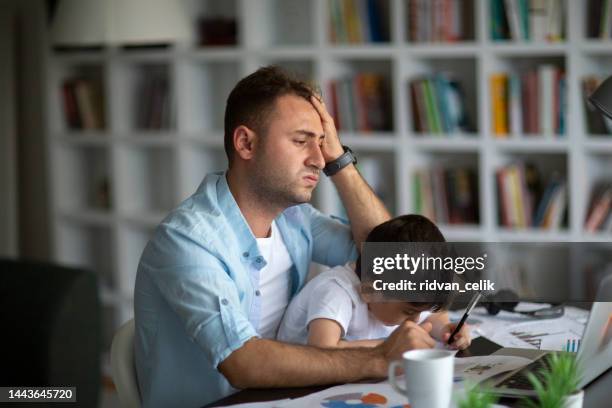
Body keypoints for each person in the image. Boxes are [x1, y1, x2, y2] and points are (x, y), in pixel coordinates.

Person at [134, 66, 447, 408]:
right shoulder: (187, 240)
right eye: (301, 141)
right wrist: (379, 358)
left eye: (321, 144)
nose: (317, 160)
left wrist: (339, 159)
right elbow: (244, 363)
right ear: (246, 143)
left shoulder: (294, 220)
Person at [278, 214, 471, 350]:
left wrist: (445, 330)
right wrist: (392, 345)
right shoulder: (336, 293)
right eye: (409, 312)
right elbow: (321, 351)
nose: (414, 321)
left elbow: (431, 316)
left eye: (418, 312)